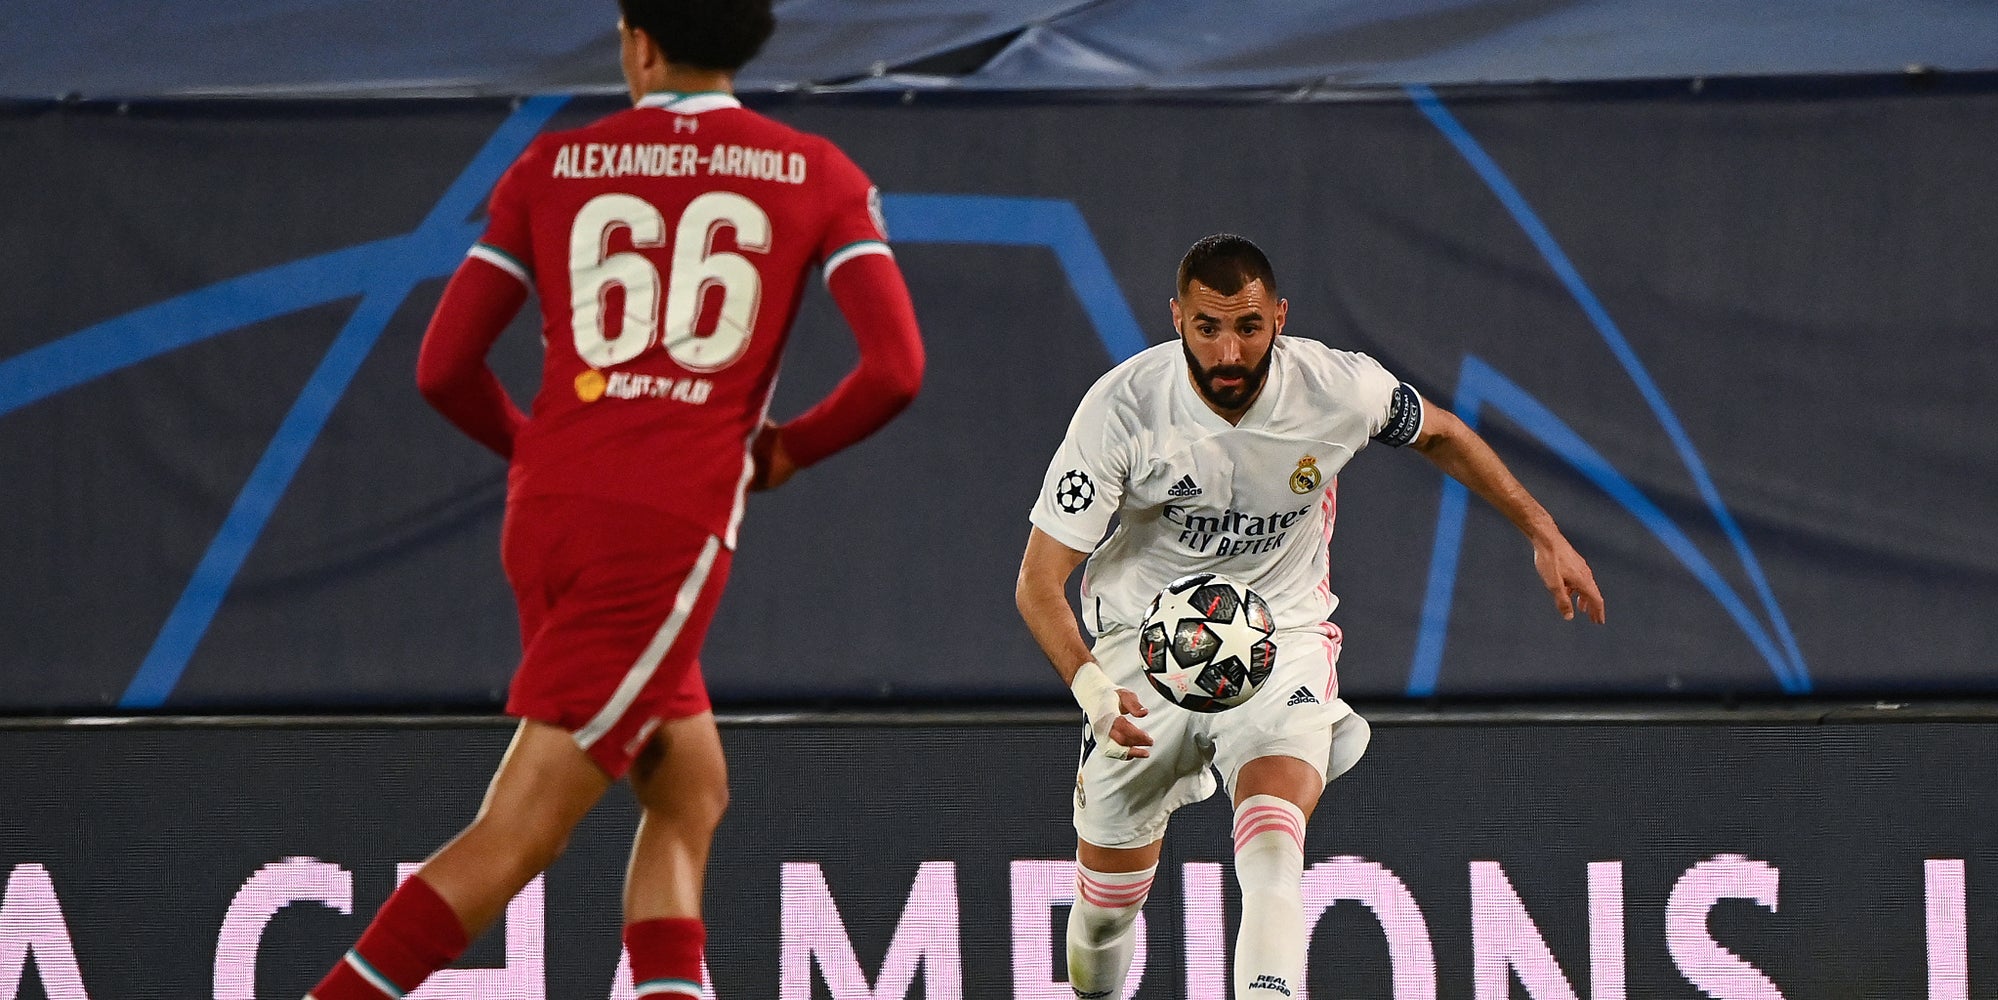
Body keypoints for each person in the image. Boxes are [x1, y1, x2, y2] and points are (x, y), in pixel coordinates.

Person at [307, 1, 925, 996]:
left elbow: (442, 368)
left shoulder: (553, 166)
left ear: (639, 41)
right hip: (663, 532)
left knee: (690, 790)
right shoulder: (815, 172)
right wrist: (783, 454)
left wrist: (542, 452)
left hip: (547, 514)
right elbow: (894, 369)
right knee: (518, 831)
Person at [1015, 234, 1603, 999]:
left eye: (1249, 327)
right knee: (1101, 922)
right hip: (1138, 653)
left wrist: (1542, 531)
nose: (1229, 352)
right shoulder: (1122, 410)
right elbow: (1038, 581)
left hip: (1279, 637)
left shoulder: (1338, 388)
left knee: (1273, 850)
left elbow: (1445, 435)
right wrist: (1095, 692)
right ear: (1177, 319)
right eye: (1207, 327)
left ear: (1279, 318)